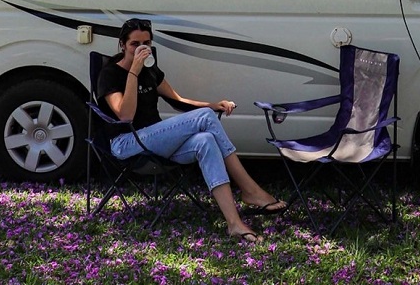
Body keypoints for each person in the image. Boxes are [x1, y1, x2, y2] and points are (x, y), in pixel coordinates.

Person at [97, 18, 286, 243]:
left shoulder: (150, 69)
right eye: (134, 44)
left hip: (155, 140)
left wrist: (213, 105)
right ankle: (249, 189)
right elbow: (125, 115)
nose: (141, 49)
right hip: (127, 143)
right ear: (122, 45)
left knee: (206, 140)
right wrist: (133, 73)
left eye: (146, 43)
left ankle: (234, 223)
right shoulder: (110, 73)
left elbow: (178, 100)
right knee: (205, 119)